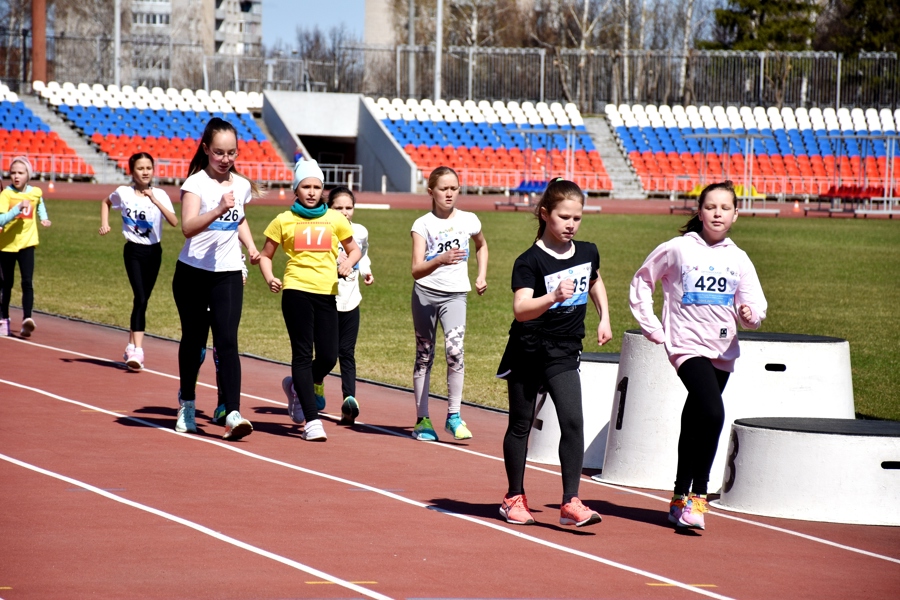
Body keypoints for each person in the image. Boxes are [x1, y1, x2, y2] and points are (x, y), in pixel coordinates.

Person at [629, 180, 767, 531]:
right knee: (712, 411)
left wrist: (751, 314)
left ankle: (677, 497)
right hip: (686, 345)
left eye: (725, 207)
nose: (717, 213)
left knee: (696, 419)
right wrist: (652, 326)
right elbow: (642, 281)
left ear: (736, 214)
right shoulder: (677, 249)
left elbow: (753, 302)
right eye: (710, 207)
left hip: (722, 348)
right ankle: (699, 498)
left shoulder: (738, 258)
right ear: (700, 212)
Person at [496, 178, 610, 528]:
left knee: (573, 421)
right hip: (529, 350)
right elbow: (520, 308)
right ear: (545, 214)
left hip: (564, 351)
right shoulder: (529, 261)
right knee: (521, 423)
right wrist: (552, 298)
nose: (571, 225)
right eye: (564, 217)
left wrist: (604, 316)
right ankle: (514, 497)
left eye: (577, 218)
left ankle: (570, 501)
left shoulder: (588, 251)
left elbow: (594, 281)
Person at [260, 160, 361, 442]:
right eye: (306, 186)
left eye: (317, 186)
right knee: (302, 353)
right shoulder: (283, 220)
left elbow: (354, 250)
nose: (312, 192)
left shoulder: (335, 219)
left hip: (327, 293)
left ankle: (296, 386)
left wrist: (348, 265)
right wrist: (270, 277)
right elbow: (266, 254)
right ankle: (312, 420)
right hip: (295, 290)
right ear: (296, 189)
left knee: (329, 355)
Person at [173, 117, 260, 441]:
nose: (226, 159)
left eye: (232, 153)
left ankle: (233, 412)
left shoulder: (241, 185)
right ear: (207, 149)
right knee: (194, 343)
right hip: (193, 274)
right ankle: (188, 404)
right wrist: (219, 209)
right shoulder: (196, 184)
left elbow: (240, 219)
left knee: (227, 342)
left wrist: (251, 247)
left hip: (227, 273)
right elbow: (188, 227)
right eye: (219, 153)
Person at [410, 166, 488, 441]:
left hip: (456, 295)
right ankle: (422, 419)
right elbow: (416, 270)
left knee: (455, 353)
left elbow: (481, 245)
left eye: (454, 188)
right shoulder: (422, 225)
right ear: (431, 192)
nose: (449, 193)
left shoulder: (469, 220)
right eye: (443, 189)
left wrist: (481, 275)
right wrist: (439, 260)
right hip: (425, 294)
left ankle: (454, 416)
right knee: (424, 355)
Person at [99, 152, 178, 370]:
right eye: (140, 168)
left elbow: (173, 221)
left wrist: (155, 200)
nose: (145, 172)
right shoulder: (123, 193)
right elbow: (105, 202)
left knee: (141, 300)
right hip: (133, 251)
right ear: (132, 171)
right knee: (141, 297)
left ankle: (130, 344)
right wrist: (105, 223)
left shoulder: (161, 194)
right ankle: (138, 351)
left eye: (148, 168)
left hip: (154, 252)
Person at [310, 185, 373, 425]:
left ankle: (349, 403)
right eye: (339, 208)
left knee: (347, 352)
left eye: (349, 207)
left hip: (351, 301)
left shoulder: (360, 231)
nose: (345, 212)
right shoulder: (322, 231)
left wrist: (366, 271)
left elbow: (363, 253)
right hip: (326, 300)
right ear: (328, 208)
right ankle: (315, 381)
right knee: (327, 357)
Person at [0, 156, 51, 338]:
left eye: (20, 173)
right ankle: (3, 318)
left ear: (28, 174)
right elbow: (1, 219)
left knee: (27, 282)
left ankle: (26, 320)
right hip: (6, 245)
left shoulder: (35, 192)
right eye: (13, 172)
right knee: (6, 284)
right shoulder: (6, 194)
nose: (16, 176)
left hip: (27, 243)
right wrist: (17, 209)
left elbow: (39, 204)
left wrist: (43, 218)